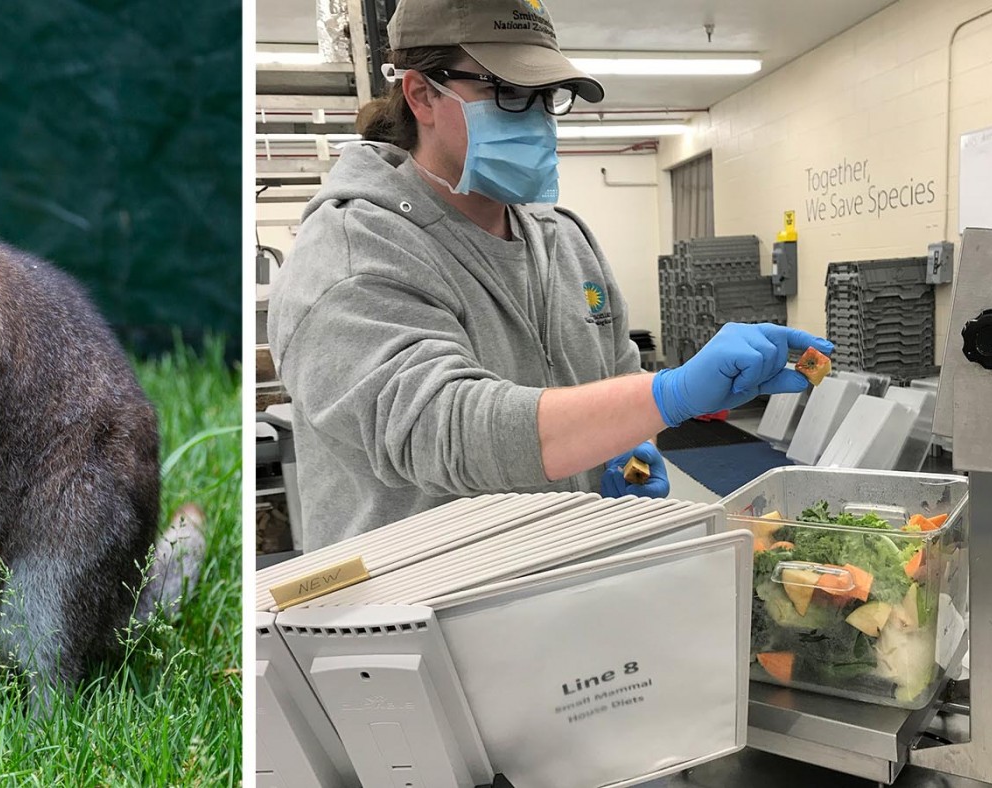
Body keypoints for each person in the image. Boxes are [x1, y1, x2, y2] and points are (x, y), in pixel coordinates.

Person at [268, 0, 831, 550]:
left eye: (547, 98)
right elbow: (445, 430)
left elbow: (614, 378)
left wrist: (631, 448)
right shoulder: (353, 250)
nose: (537, 120)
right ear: (422, 94)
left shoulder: (563, 239)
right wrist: (672, 392)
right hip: (411, 617)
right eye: (508, 93)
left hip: (560, 585)